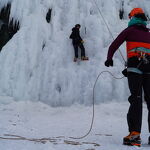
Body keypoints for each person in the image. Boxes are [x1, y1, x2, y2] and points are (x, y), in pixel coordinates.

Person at [104, 8, 150, 147]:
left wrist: (109, 59)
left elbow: (114, 45)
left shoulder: (129, 31)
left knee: (136, 100)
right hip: (149, 70)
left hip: (135, 69)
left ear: (133, 18)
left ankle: (134, 135)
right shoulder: (149, 34)